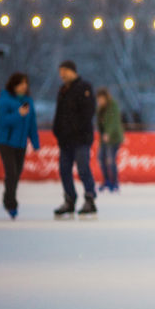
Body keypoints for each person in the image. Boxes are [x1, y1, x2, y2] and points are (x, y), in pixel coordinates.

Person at [51, 60, 96, 219]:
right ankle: (69, 199)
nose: (62, 75)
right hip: (65, 140)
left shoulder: (84, 87)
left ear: (72, 71)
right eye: (60, 71)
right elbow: (59, 112)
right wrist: (56, 129)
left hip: (81, 139)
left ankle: (90, 198)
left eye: (64, 71)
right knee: (64, 170)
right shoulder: (63, 90)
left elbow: (88, 112)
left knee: (83, 168)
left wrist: (77, 129)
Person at [0, 73, 39, 220]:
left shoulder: (29, 101)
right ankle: (11, 203)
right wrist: (18, 114)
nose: (24, 86)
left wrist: (35, 143)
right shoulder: (4, 100)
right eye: (21, 83)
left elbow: (32, 124)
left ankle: (8, 196)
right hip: (6, 143)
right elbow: (2, 121)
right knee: (12, 173)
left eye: (25, 83)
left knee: (16, 174)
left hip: (21, 144)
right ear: (14, 85)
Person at [95, 88, 123, 193]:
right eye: (99, 100)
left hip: (113, 138)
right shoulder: (100, 108)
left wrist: (108, 133)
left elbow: (114, 121)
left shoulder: (113, 106)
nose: (100, 101)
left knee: (111, 160)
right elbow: (99, 123)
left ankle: (114, 182)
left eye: (101, 99)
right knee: (101, 158)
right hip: (103, 139)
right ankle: (106, 180)